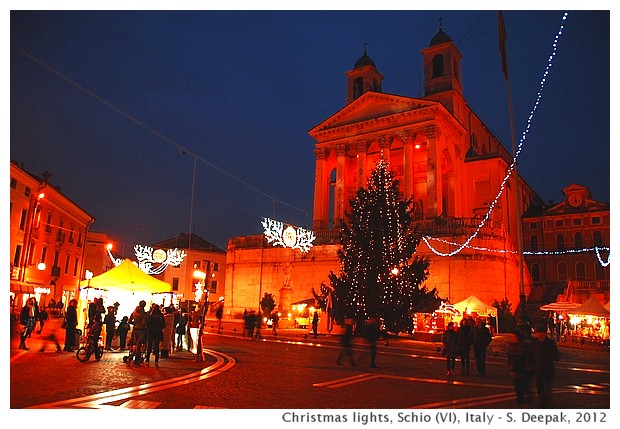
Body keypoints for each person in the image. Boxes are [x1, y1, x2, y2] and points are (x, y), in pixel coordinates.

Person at [527, 325, 560, 408]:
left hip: (548, 368)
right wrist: (528, 364)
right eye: (537, 333)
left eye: (541, 333)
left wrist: (555, 357)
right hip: (537, 368)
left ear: (545, 334)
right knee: (539, 387)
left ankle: (547, 401)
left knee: (547, 386)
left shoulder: (550, 343)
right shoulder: (534, 342)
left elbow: (555, 354)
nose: (539, 335)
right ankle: (542, 402)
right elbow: (530, 354)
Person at [506, 330, 531, 405]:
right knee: (517, 384)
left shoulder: (524, 345)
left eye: (514, 337)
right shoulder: (510, 345)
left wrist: (528, 365)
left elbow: (527, 356)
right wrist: (509, 366)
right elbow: (509, 357)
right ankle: (520, 398)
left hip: (523, 366)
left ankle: (527, 396)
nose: (512, 338)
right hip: (515, 366)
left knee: (524, 383)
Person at [129, 300, 148, 366]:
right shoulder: (144, 314)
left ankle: (130, 358)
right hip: (141, 330)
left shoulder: (134, 312)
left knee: (137, 345)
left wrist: (135, 323)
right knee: (138, 346)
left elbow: (129, 320)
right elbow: (144, 323)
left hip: (135, 330)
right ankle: (135, 360)